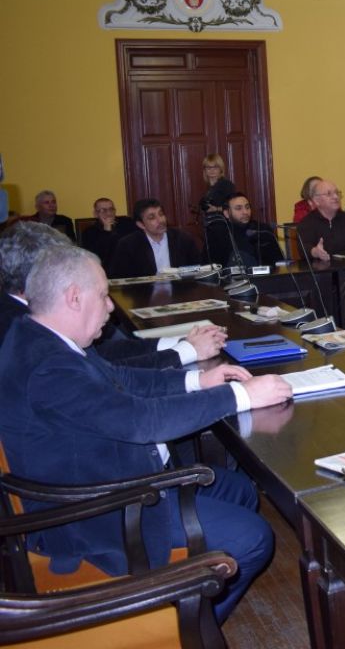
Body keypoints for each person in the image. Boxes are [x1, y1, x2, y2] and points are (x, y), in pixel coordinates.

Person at [0, 243, 293, 623]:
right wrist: (241, 395)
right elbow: (142, 421)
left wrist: (198, 380)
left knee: (239, 490)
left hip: (112, 475)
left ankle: (193, 594)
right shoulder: (47, 367)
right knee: (255, 538)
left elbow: (120, 378)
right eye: (103, 295)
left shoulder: (42, 337)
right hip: (99, 512)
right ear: (73, 297)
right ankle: (185, 629)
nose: (110, 307)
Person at [0, 221, 226, 370]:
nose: (110, 305)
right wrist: (186, 351)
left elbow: (101, 353)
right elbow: (105, 374)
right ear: (38, 275)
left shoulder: (26, 308)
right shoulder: (18, 329)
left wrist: (180, 342)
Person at [108, 198, 202, 278]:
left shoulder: (183, 239)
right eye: (152, 217)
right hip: (144, 292)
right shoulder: (128, 245)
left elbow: (198, 269)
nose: (160, 220)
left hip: (180, 291)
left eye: (161, 214)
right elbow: (119, 277)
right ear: (141, 225)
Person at [205, 192, 284, 268]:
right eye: (238, 208)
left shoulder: (262, 230)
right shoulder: (217, 234)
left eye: (247, 207)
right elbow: (208, 267)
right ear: (226, 213)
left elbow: (279, 262)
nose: (245, 212)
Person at [80, 197, 137, 273]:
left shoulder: (127, 223)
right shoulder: (89, 232)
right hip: (105, 271)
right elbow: (95, 256)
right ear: (95, 214)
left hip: (130, 268)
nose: (109, 213)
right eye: (103, 210)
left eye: (111, 209)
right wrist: (107, 231)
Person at [198, 154, 236, 222]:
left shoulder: (226, 185)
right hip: (212, 222)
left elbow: (234, 207)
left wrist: (216, 209)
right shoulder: (210, 187)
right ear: (205, 170)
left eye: (215, 167)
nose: (212, 170)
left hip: (224, 223)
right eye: (209, 167)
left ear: (221, 169)